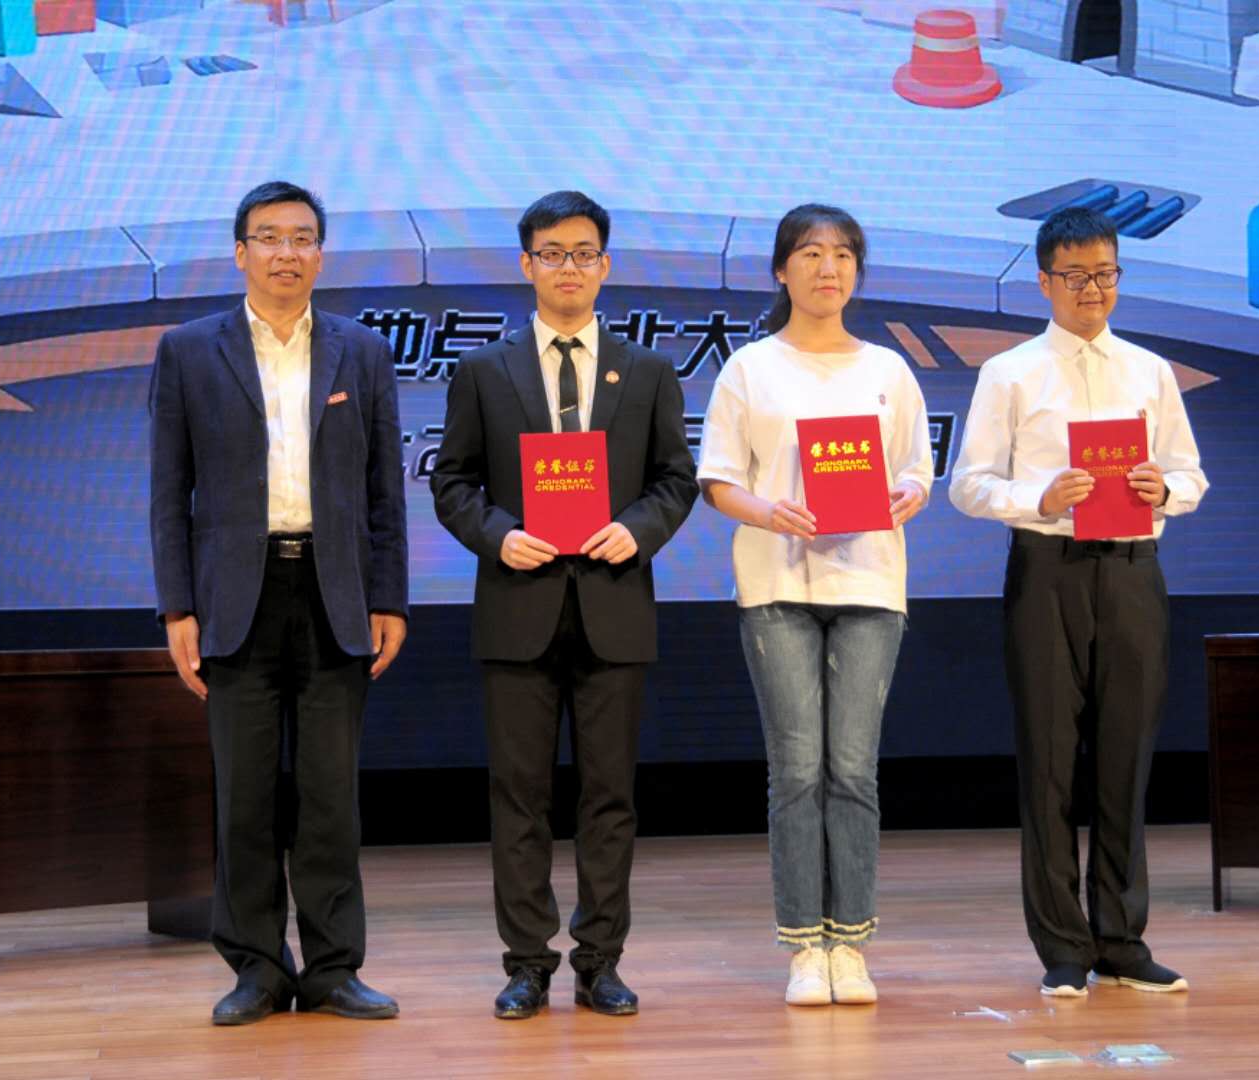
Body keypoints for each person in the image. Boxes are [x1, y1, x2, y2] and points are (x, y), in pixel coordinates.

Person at [430, 190, 697, 1020]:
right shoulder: (484, 371)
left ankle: (600, 962)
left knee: (608, 798)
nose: (568, 267)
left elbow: (675, 480)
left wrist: (636, 530)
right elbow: (452, 481)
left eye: (583, 253)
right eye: (552, 253)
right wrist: (498, 536)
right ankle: (526, 964)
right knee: (519, 798)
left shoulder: (647, 372)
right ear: (527, 265)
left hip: (615, 607)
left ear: (604, 265)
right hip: (519, 606)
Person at [149, 180, 409, 1025]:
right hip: (236, 596)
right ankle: (257, 969)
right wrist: (177, 608)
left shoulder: (361, 351)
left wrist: (390, 599)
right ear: (240, 252)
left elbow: (384, 491)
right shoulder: (189, 351)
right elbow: (168, 492)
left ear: (320, 255)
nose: (286, 252)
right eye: (269, 237)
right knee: (245, 798)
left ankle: (332, 969)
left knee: (330, 797)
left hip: (334, 593)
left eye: (302, 238)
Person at [949, 206, 1208, 998]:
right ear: (1044, 282)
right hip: (1047, 571)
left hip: (1133, 571)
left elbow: (1191, 475)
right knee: (1050, 762)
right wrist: (1039, 497)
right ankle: (1063, 946)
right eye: (1075, 276)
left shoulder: (1149, 370)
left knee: (1126, 759)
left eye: (1104, 274)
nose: (1092, 289)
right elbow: (967, 485)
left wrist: (1165, 489)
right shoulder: (1011, 373)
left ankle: (1123, 940)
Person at [696, 204, 933, 1006]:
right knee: (797, 768)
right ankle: (805, 946)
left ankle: (851, 944)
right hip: (777, 585)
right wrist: (769, 511)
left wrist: (909, 493)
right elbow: (718, 479)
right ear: (781, 270)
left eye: (842, 255)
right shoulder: (750, 368)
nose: (828, 269)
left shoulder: (888, 370)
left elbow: (917, 470)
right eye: (810, 253)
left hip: (869, 584)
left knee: (853, 768)